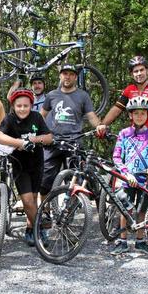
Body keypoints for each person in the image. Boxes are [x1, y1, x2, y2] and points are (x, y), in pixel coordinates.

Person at [98, 55, 148, 210]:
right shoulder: (129, 90)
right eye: (135, 71)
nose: (139, 73)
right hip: (134, 138)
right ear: (132, 74)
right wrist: (102, 125)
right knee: (130, 177)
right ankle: (131, 217)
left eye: (142, 70)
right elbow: (116, 110)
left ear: (147, 70)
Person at [110, 96, 148, 255]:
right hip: (128, 179)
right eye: (136, 114)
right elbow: (116, 156)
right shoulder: (124, 134)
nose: (139, 116)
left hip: (146, 180)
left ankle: (140, 241)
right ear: (130, 115)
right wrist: (126, 174)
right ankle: (122, 241)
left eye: (143, 113)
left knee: (142, 210)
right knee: (125, 209)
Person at [0, 88, 53, 246]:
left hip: (37, 163)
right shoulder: (9, 119)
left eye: (26, 106)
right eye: (19, 105)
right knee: (27, 201)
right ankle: (39, 230)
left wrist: (33, 140)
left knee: (34, 199)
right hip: (19, 165)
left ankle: (30, 229)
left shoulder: (37, 117)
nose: (22, 109)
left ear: (31, 106)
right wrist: (19, 143)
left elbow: (49, 137)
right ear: (13, 106)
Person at [40, 64, 102, 197]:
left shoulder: (83, 95)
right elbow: (41, 116)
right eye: (64, 73)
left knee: (74, 182)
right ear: (60, 76)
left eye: (71, 74)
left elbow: (91, 116)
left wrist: (99, 126)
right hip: (53, 143)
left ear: (75, 77)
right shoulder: (52, 95)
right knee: (45, 182)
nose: (67, 77)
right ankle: (45, 213)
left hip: (74, 143)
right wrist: (37, 131)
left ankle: (69, 212)